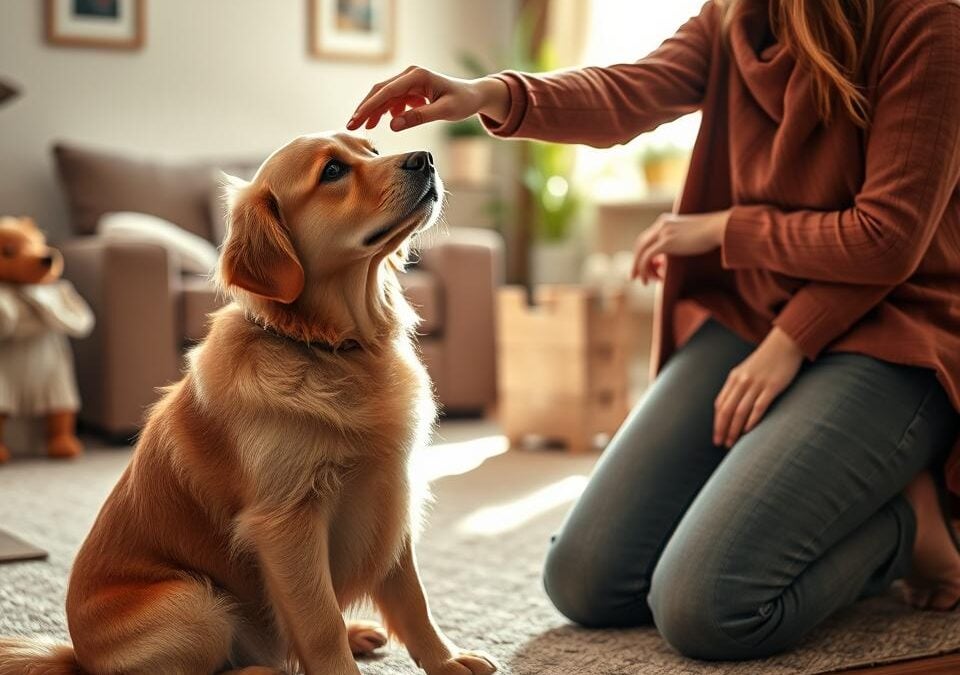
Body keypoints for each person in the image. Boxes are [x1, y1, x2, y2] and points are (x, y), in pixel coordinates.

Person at [347, 0, 960, 660]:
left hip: (895, 330)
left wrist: (731, 236)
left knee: (710, 605)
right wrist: (486, 93)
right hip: (752, 315)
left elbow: (886, 240)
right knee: (585, 579)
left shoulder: (928, 24)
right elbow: (630, 89)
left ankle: (907, 523)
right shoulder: (731, 17)